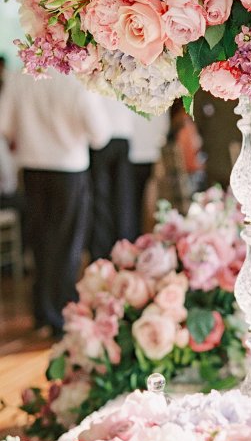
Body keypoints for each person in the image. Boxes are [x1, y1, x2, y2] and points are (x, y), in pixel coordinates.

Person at [0, 72, 110, 336]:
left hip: (32, 169)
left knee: (40, 242)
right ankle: (62, 316)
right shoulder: (78, 79)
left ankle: (42, 314)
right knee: (68, 245)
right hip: (69, 169)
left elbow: (4, 126)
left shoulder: (20, 77)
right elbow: (100, 134)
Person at [89, 96, 137, 258]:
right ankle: (123, 254)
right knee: (122, 200)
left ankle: (101, 256)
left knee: (101, 201)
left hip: (101, 135)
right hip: (122, 133)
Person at [129, 111, 169, 236]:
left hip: (137, 152)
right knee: (141, 200)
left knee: (136, 200)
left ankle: (138, 235)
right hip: (146, 152)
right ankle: (137, 235)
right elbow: (163, 127)